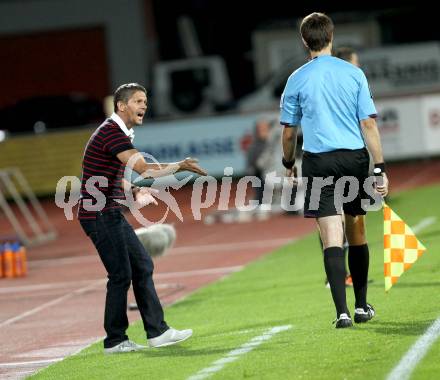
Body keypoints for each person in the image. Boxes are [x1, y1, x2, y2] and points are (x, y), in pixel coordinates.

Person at [78, 83, 207, 352]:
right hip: (99, 215)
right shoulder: (112, 133)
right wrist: (180, 166)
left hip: (108, 212)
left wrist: (133, 188)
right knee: (120, 275)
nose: (144, 106)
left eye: (145, 101)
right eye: (138, 101)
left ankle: (157, 332)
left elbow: (109, 176)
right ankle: (115, 340)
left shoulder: (115, 133)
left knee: (142, 265)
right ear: (121, 106)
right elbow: (145, 169)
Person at [280, 13, 388, 328]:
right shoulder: (353, 73)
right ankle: (362, 306)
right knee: (356, 230)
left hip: (317, 161)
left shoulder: (296, 78)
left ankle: (341, 312)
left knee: (330, 236)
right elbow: (368, 123)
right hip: (353, 158)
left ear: (304, 41)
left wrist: (289, 164)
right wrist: (379, 167)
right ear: (332, 36)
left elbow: (288, 132)